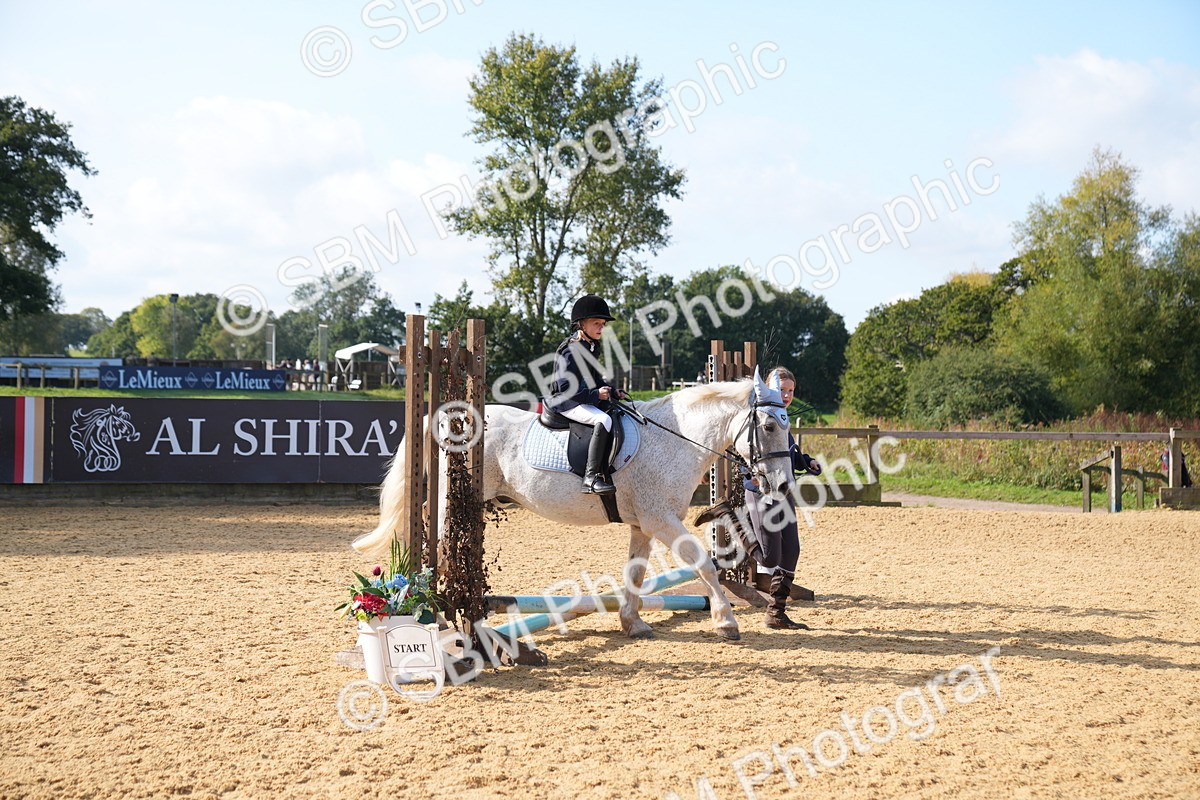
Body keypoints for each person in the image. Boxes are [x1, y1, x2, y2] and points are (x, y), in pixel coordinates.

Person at [739, 366, 822, 629]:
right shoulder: (757, 417)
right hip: (762, 492)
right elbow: (746, 453)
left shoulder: (781, 418)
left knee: (792, 550)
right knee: (770, 558)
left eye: (790, 391)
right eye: (782, 390)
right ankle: (730, 520)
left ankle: (776, 612)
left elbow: (788, 454)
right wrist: (746, 475)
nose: (786, 396)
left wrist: (807, 461)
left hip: (783, 491)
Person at [549, 294, 619, 495]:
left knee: (614, 411)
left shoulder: (590, 346)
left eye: (603, 324)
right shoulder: (572, 351)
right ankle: (591, 478)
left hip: (577, 397)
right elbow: (565, 388)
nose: (601, 327)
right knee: (603, 420)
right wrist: (596, 395)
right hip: (564, 402)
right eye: (596, 323)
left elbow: (595, 378)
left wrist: (612, 391)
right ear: (581, 325)